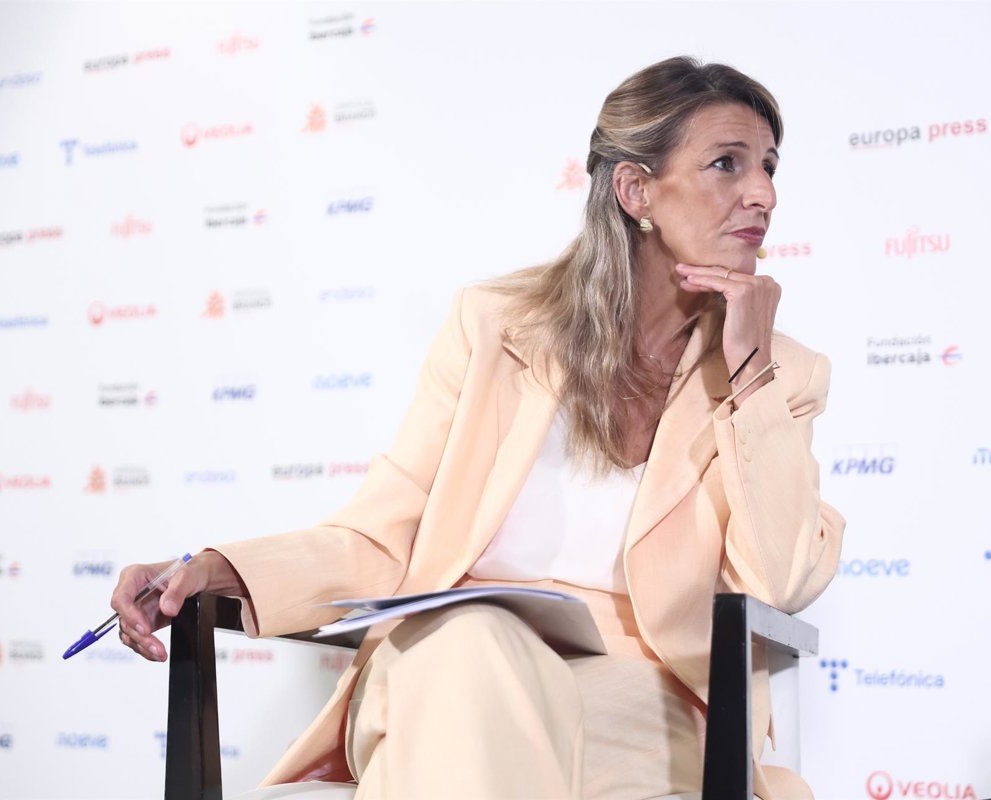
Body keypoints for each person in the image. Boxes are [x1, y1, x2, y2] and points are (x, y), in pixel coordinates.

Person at [111, 55, 845, 800]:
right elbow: (382, 536)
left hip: (640, 700)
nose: (763, 193)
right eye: (727, 163)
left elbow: (779, 581)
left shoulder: (782, 374)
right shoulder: (495, 326)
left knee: (438, 751)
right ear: (635, 190)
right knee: (469, 648)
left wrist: (750, 371)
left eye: (769, 166)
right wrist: (216, 569)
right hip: (446, 664)